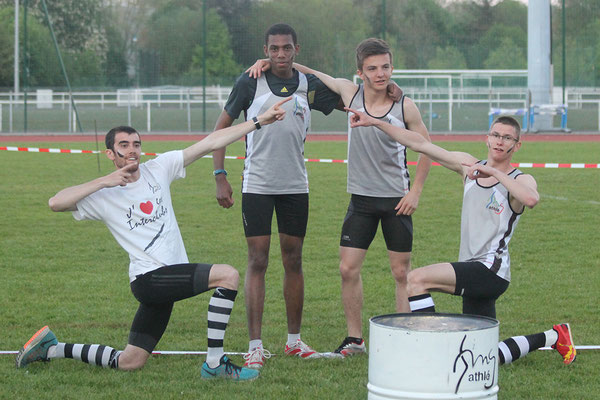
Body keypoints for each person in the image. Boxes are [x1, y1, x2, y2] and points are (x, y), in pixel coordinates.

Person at [15, 97, 291, 381]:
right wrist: (103, 182)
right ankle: (215, 364)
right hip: (149, 279)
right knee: (228, 276)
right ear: (110, 154)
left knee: (130, 361)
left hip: (164, 279)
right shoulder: (103, 196)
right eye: (124, 145)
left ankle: (52, 348)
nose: (132, 150)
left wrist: (259, 121)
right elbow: (55, 203)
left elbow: (211, 141)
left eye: (136, 144)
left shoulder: (159, 168)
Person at [344, 108, 577, 365]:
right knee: (481, 357)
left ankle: (432, 348)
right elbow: (420, 143)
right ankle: (554, 336)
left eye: (507, 138)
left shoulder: (520, 179)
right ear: (486, 138)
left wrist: (495, 173)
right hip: (471, 267)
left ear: (517, 144)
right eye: (495, 135)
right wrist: (375, 123)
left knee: (416, 279)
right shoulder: (468, 167)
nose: (500, 141)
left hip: (490, 270)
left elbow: (531, 199)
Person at [250, 37, 432, 357]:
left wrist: (415, 192)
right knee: (348, 269)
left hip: (396, 201)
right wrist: (274, 64)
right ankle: (355, 340)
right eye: (372, 68)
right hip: (360, 200)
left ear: (392, 68)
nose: (380, 74)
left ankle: (405, 337)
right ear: (359, 72)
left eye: (386, 67)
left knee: (402, 273)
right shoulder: (350, 92)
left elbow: (426, 149)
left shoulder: (405, 105)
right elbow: (314, 75)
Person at [211, 23, 347, 369]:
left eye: (287, 49)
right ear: (266, 50)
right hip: (256, 185)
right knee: (258, 260)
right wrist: (219, 175)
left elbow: (348, 98)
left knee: (293, 259)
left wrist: (385, 91)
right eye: (274, 49)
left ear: (296, 50)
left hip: (295, 188)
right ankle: (254, 345)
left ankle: (293, 341)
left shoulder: (308, 86)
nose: (280, 55)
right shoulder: (249, 82)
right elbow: (220, 129)